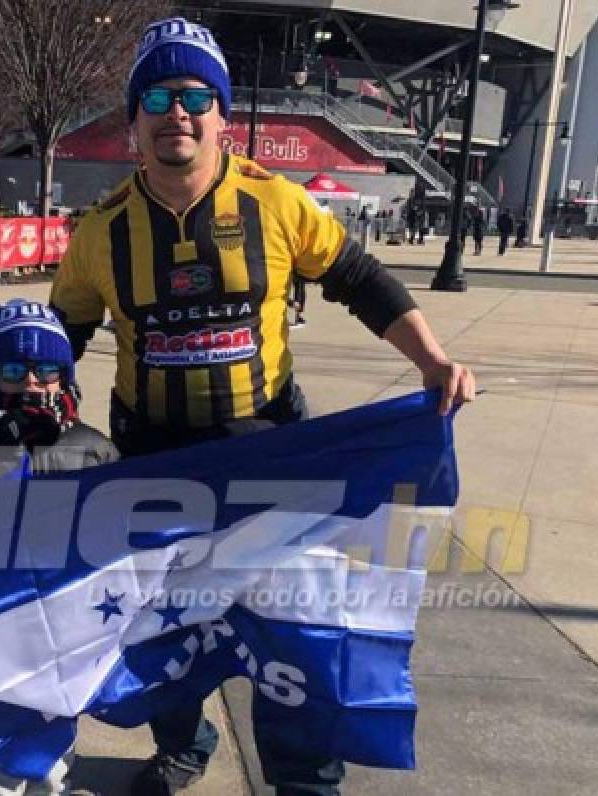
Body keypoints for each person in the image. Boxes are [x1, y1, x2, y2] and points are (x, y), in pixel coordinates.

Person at [48, 16, 475, 796]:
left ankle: (305, 776)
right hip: (155, 462)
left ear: (220, 114)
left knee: (292, 628)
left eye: (194, 94)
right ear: (134, 120)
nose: (176, 111)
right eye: (157, 95)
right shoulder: (100, 233)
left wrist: (432, 359)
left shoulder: (275, 203)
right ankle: (182, 741)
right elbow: (58, 342)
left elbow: (360, 278)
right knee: (158, 623)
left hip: (271, 452)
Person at [0, 299, 117, 795]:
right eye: (14, 370)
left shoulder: (94, 447)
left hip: (67, 625)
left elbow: (118, 537)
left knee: (55, 749)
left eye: (47, 370)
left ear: (65, 376)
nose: (33, 382)